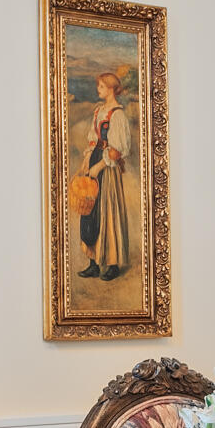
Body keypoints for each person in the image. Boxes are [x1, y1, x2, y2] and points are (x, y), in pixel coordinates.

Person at [79, 67, 134, 280]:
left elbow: (118, 149)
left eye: (101, 86)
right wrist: (86, 162)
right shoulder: (99, 110)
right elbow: (93, 140)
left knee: (106, 212)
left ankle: (111, 263)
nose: (98, 89)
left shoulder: (117, 115)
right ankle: (93, 261)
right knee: (89, 209)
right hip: (93, 160)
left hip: (107, 168)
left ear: (111, 89)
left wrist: (99, 166)